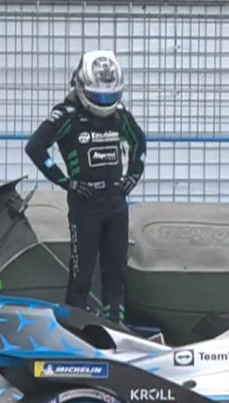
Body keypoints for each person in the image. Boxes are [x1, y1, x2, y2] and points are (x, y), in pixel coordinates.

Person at [25, 50, 147, 324]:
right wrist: (66, 182)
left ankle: (115, 326)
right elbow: (35, 147)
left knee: (116, 272)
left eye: (109, 97)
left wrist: (133, 175)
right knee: (82, 273)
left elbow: (139, 141)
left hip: (116, 202)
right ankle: (74, 326)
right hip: (85, 204)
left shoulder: (119, 115)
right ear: (81, 85)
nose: (104, 103)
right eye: (98, 97)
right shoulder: (66, 114)